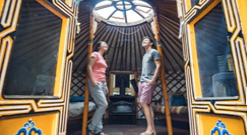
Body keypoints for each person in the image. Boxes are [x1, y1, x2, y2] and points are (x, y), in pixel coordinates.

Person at [138, 36, 161, 135]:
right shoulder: (145, 55)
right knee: (148, 104)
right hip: (143, 81)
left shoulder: (154, 52)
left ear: (151, 43)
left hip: (149, 81)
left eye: (146, 40)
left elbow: (158, 65)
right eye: (143, 40)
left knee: (143, 102)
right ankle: (153, 130)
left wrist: (153, 80)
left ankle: (149, 129)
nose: (144, 41)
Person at [87, 41, 109, 135]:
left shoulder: (103, 58)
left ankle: (98, 130)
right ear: (99, 46)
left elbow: (102, 72)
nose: (106, 45)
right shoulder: (94, 54)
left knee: (100, 106)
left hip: (102, 83)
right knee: (104, 104)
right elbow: (89, 67)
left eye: (106, 44)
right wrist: (92, 80)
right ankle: (91, 128)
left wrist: (106, 85)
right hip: (95, 82)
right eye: (103, 44)